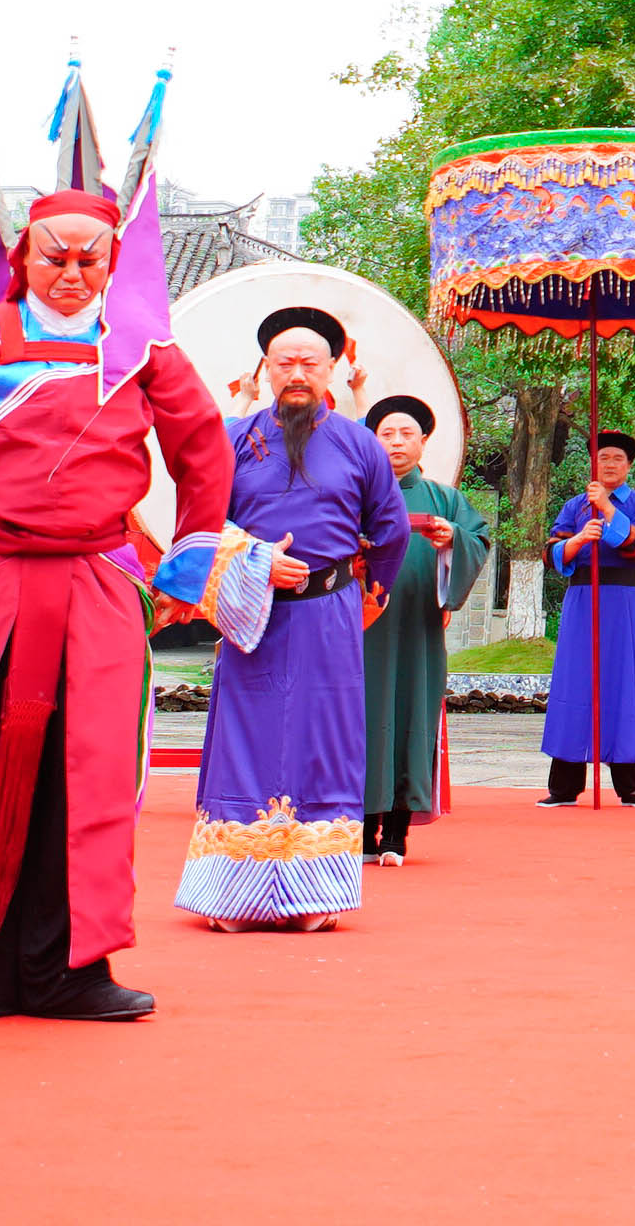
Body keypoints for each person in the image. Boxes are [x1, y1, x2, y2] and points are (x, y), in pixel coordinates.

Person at [0, 187, 233, 1023]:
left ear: (112, 264)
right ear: (23, 258)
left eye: (89, 260)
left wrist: (191, 557)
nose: (72, 274)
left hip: (96, 582)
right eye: (55, 257)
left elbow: (203, 449)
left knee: (91, 778)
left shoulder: (144, 350)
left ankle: (72, 970)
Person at [177, 309, 407, 929]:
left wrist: (373, 591)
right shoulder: (232, 440)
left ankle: (314, 894)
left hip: (330, 617)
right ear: (267, 370)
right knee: (244, 745)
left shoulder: (359, 443)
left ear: (332, 369)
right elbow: (199, 523)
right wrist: (253, 560)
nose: (298, 373)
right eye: (286, 363)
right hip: (252, 620)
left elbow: (390, 528)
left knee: (324, 745)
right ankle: (233, 895)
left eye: (310, 362)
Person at [360, 394, 486, 863]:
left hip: (418, 626)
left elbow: (478, 540)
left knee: (413, 716)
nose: (396, 442)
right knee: (361, 719)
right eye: (387, 433)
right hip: (361, 627)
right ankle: (361, 829)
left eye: (406, 433)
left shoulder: (444, 499)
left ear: (424, 440)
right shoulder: (355, 494)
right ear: (373, 441)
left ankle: (396, 831)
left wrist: (453, 540)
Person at [543, 428, 635, 806]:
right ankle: (564, 786)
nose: (609, 464)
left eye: (617, 459)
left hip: (622, 602)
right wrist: (578, 540)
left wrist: (608, 510)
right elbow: (550, 553)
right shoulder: (574, 506)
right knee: (574, 683)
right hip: (581, 599)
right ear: (592, 463)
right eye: (603, 458)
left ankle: (630, 785)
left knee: (622, 684)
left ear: (628, 466)